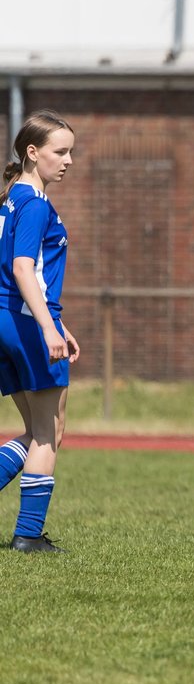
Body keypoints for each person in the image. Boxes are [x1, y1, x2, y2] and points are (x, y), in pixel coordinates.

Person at [0, 110, 80, 553]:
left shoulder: (12, 198)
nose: (68, 160)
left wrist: (58, 322)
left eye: (71, 151)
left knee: (34, 431)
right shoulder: (33, 204)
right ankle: (28, 537)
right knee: (51, 432)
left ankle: (28, 534)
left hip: (8, 319)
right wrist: (48, 327)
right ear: (33, 153)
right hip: (26, 325)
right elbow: (23, 268)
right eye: (60, 151)